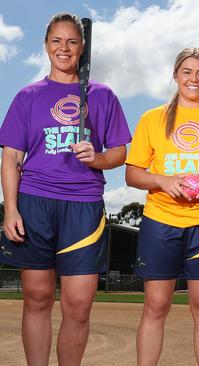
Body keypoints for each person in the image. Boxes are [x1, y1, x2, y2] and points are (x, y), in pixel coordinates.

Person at [0, 12, 131, 365]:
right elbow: (12, 156)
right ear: (46, 46)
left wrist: (97, 157)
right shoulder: (28, 96)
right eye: (56, 41)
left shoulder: (102, 96)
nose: (64, 48)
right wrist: (10, 209)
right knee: (37, 298)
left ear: (82, 48)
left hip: (83, 205)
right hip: (35, 203)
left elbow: (120, 153)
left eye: (72, 41)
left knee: (78, 305)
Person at [125, 47, 199, 365]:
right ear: (175, 75)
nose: (194, 78)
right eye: (187, 71)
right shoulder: (153, 118)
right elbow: (132, 174)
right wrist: (164, 181)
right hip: (161, 219)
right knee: (156, 305)